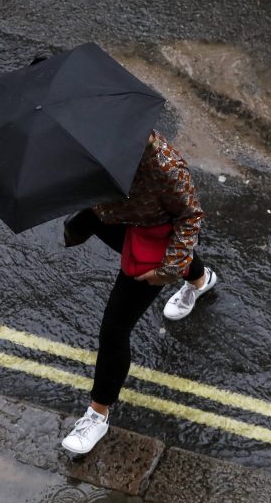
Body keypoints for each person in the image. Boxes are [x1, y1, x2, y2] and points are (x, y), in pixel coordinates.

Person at [60, 129, 217, 454]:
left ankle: (97, 415)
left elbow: (189, 218)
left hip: (149, 234)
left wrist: (168, 270)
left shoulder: (166, 167)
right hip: (116, 219)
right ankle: (201, 281)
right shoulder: (95, 145)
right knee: (164, 257)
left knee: (114, 328)